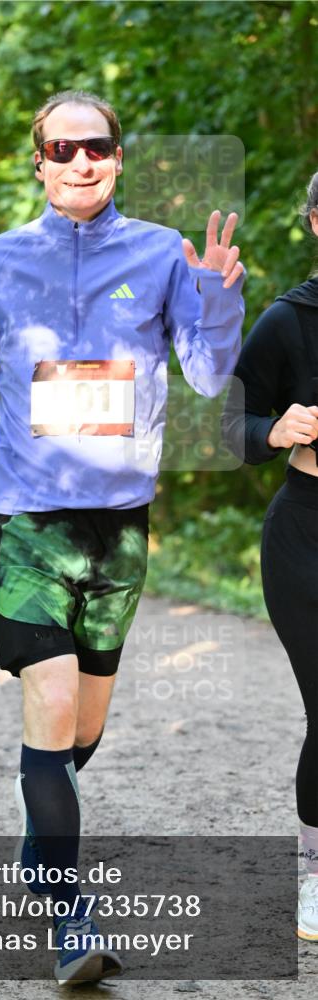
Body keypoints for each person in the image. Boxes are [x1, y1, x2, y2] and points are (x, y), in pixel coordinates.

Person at [0, 90, 245, 985]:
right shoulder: (0, 261)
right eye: (62, 148)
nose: (81, 161)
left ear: (117, 158)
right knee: (48, 702)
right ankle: (70, 916)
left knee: (78, 732)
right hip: (22, 520)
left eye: (98, 147)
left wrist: (216, 298)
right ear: (37, 162)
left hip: (117, 528)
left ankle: (41, 826)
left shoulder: (160, 253)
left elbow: (203, 373)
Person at [222, 171, 318, 942]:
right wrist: (271, 432)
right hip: (307, 539)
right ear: (315, 224)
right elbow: (224, 422)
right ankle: (316, 875)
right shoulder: (290, 321)